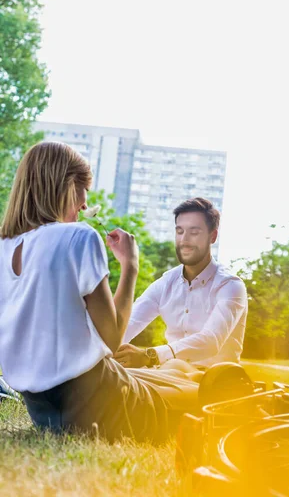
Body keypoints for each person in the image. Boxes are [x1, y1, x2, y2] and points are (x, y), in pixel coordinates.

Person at [0, 142, 198, 443]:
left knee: (180, 369)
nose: (84, 204)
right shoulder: (78, 237)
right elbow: (112, 336)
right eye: (84, 189)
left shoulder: (4, 247)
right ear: (66, 185)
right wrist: (130, 265)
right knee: (206, 392)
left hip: (46, 412)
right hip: (103, 407)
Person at [113, 198, 248, 372]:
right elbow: (128, 324)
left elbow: (210, 341)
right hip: (169, 372)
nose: (184, 240)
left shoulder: (230, 286)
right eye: (179, 231)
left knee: (171, 367)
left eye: (194, 232)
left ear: (212, 236)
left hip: (214, 382)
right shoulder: (165, 283)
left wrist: (148, 356)